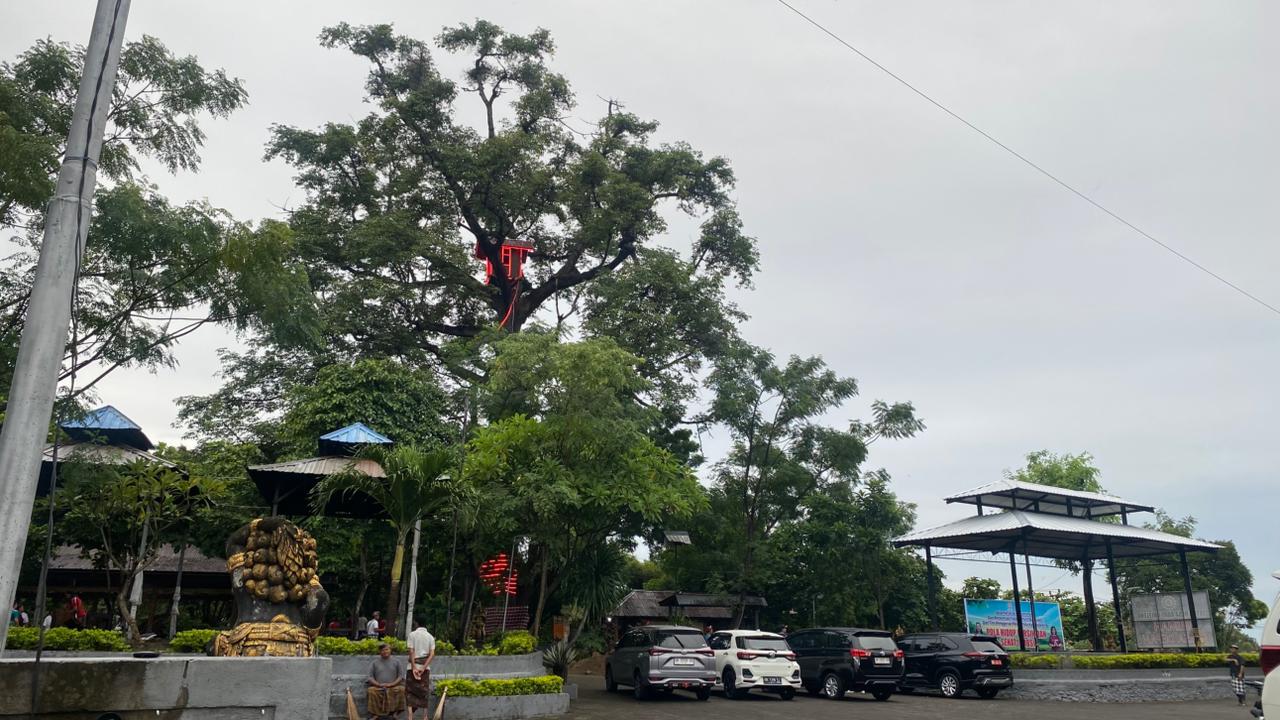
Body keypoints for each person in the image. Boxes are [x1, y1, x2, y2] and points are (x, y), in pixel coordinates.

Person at [366, 643, 406, 719]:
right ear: (380, 652)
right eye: (382, 650)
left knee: (401, 690)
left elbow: (400, 676)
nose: (385, 651)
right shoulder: (374, 663)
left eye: (387, 649)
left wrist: (391, 684)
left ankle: (395, 713)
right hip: (378, 687)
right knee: (371, 690)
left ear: (390, 650)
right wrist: (378, 684)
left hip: (393, 687)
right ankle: (376, 714)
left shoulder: (397, 662)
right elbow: (370, 677)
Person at [406, 620, 436, 720]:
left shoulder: (412, 635)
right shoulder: (430, 637)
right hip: (425, 668)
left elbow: (411, 651)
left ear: (416, 624)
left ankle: (410, 716)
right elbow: (432, 654)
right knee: (424, 691)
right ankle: (425, 716)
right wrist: (423, 668)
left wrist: (414, 667)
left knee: (410, 691)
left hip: (412, 667)